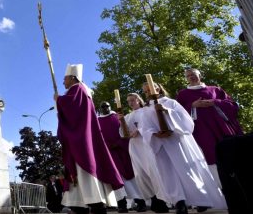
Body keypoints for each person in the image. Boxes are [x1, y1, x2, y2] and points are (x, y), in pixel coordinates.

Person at [140, 81, 226, 214]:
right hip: (160, 144)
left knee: (187, 171)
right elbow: (143, 127)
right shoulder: (145, 110)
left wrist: (166, 111)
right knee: (169, 174)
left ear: (158, 89)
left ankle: (201, 200)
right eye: (145, 91)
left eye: (150, 89)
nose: (148, 92)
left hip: (177, 141)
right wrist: (154, 133)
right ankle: (180, 202)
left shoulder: (171, 103)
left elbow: (185, 119)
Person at [54, 64, 124, 214]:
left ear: (73, 78)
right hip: (82, 138)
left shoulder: (78, 89)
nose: (63, 82)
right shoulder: (82, 91)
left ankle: (94, 204)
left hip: (80, 142)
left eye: (65, 79)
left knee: (86, 174)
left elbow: (73, 110)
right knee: (79, 189)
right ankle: (82, 205)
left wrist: (59, 100)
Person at [175, 68, 243, 187]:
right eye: (188, 76)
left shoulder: (215, 89)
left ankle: (240, 181)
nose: (191, 77)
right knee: (211, 156)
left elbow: (232, 105)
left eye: (194, 74)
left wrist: (214, 102)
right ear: (186, 78)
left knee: (231, 152)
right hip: (201, 131)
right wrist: (192, 105)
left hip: (221, 128)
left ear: (200, 75)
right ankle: (221, 187)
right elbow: (177, 114)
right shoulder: (183, 94)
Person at [121, 93, 169, 213]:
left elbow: (154, 125)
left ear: (139, 100)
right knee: (141, 174)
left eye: (132, 100)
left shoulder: (147, 111)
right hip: (135, 147)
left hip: (148, 144)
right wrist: (121, 122)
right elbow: (123, 134)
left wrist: (139, 130)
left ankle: (162, 199)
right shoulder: (127, 116)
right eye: (128, 101)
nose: (131, 103)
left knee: (153, 171)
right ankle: (152, 198)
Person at [98, 101, 146, 213]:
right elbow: (98, 138)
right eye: (103, 106)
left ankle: (140, 202)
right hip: (110, 154)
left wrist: (119, 143)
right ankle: (122, 205)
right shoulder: (97, 121)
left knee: (131, 177)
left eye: (107, 105)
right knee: (116, 180)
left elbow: (126, 130)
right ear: (100, 108)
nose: (105, 107)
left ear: (111, 106)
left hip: (123, 152)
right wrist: (107, 147)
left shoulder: (117, 117)